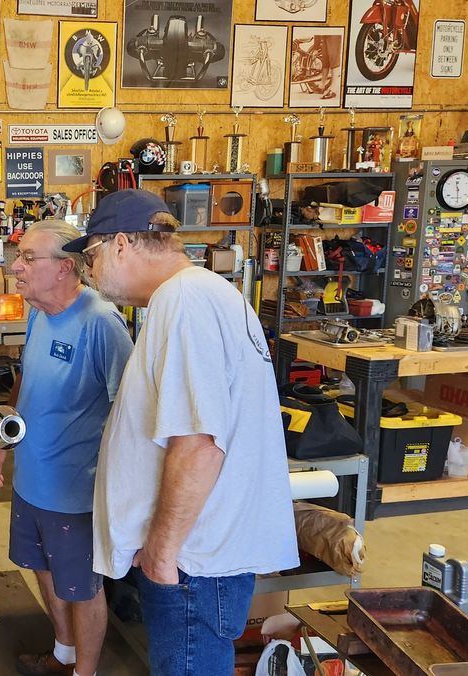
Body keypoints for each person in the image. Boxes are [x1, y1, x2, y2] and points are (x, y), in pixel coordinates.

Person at [63, 190, 298, 675]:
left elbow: (199, 443)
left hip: (192, 562)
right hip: (195, 558)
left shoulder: (186, 299)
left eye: (91, 257)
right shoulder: (201, 294)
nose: (89, 273)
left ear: (122, 244)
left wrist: (162, 554)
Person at [0, 219, 133, 676]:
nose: (16, 267)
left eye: (29, 258)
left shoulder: (101, 322)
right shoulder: (38, 314)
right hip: (31, 479)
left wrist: (119, 490)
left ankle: (84, 672)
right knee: (42, 571)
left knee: (80, 587)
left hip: (74, 493)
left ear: (67, 267)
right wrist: (2, 441)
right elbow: (27, 379)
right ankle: (62, 653)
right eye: (19, 256)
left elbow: (129, 410)